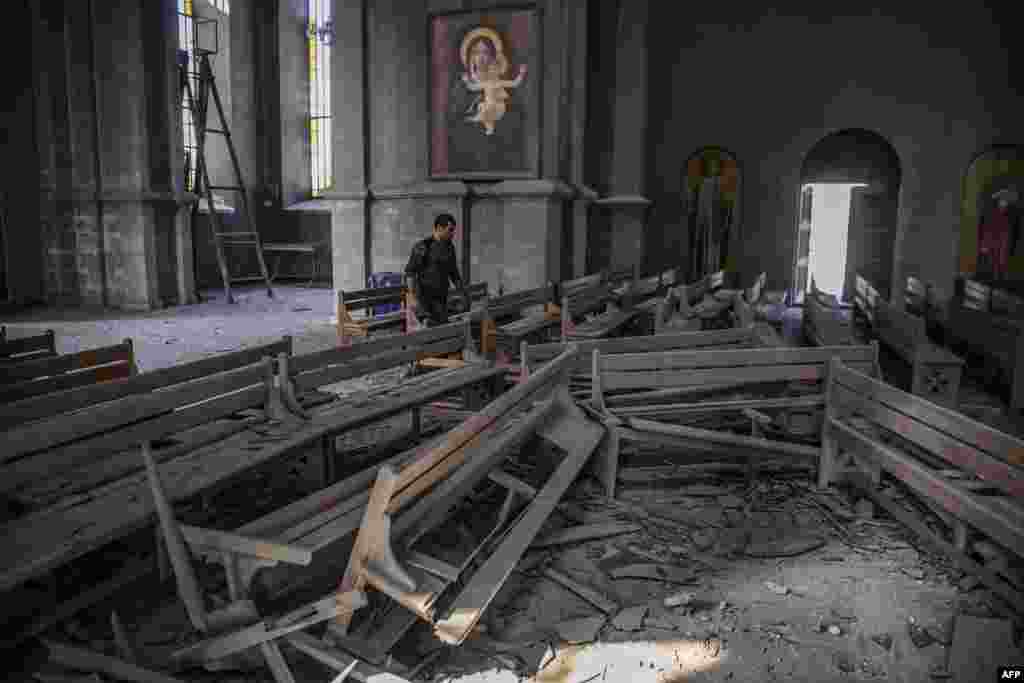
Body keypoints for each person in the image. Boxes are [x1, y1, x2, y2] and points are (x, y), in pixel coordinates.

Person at [405, 213, 467, 327]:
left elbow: (454, 274)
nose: (453, 233)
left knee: (442, 332)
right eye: (450, 230)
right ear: (439, 228)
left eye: (453, 230)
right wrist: (413, 300)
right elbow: (410, 273)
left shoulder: (449, 247)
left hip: (441, 299)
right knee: (429, 335)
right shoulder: (423, 246)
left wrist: (463, 294)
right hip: (424, 301)